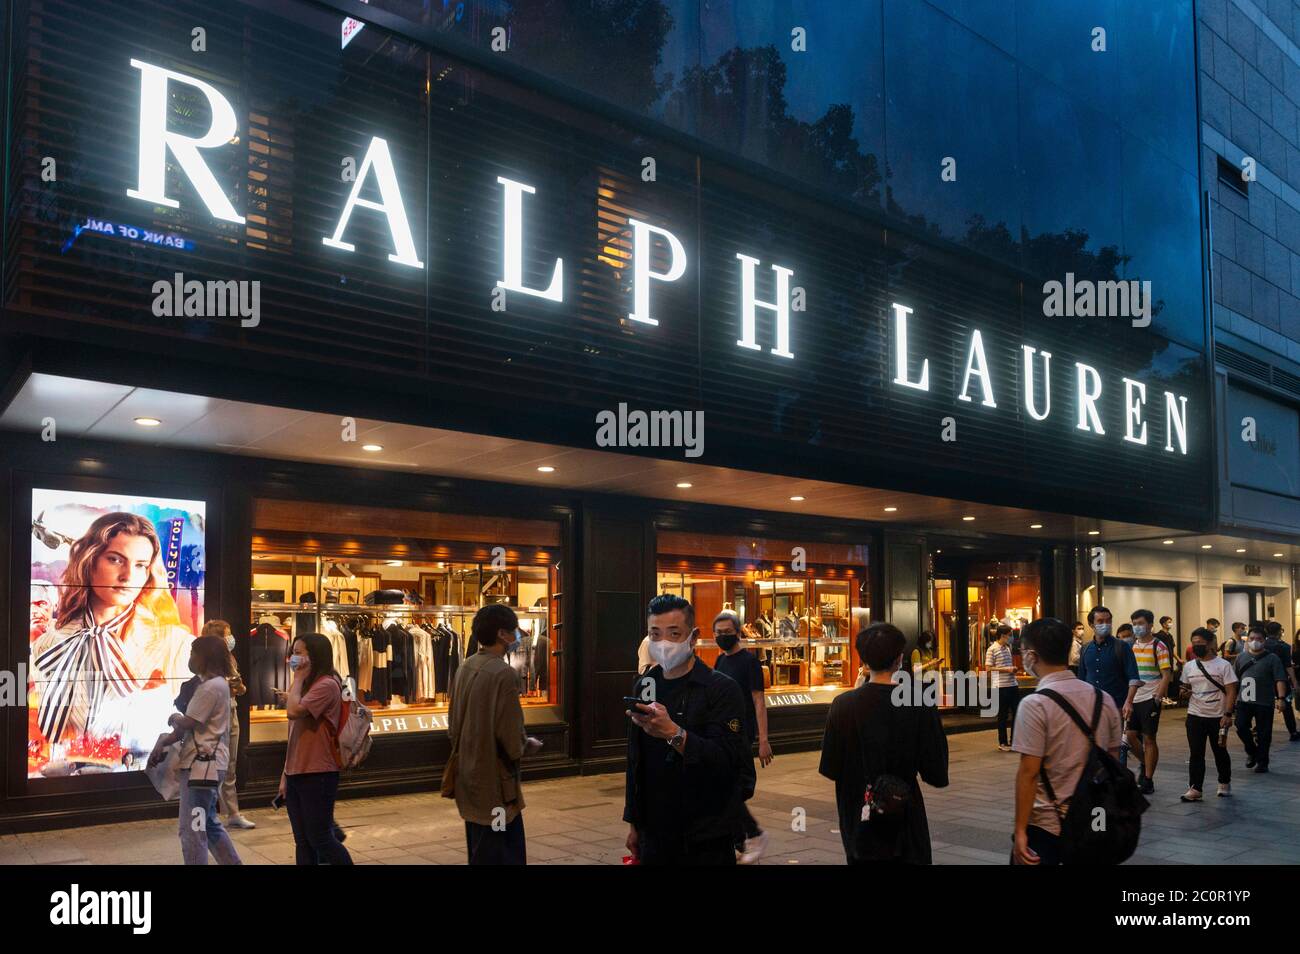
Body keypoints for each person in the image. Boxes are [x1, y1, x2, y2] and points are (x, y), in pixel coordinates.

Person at [30, 512, 194, 767]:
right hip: (60, 780)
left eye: (141, 565)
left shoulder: (173, 642)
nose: (129, 575)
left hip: (141, 784)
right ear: (90, 561)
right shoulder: (50, 644)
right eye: (116, 559)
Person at [624, 594, 752, 866]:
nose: (663, 643)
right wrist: (634, 822)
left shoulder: (721, 689)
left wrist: (675, 734)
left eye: (674, 634)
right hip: (655, 832)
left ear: (692, 637)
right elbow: (636, 761)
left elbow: (732, 763)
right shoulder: (646, 686)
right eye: (654, 635)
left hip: (705, 834)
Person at [819, 622, 948, 864]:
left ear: (864, 662)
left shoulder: (843, 705)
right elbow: (936, 773)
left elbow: (831, 767)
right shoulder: (919, 702)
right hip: (904, 817)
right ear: (899, 659)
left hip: (859, 816)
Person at [1011, 618, 1122, 865]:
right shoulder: (1104, 699)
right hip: (1095, 818)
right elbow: (1112, 763)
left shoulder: (1035, 704)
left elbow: (1028, 774)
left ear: (1031, 655)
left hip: (1048, 824)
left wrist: (1020, 830)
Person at [448, 604, 542, 865]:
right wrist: (527, 745)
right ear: (502, 634)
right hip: (496, 783)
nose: (518, 636)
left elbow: (452, 724)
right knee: (503, 851)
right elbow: (511, 739)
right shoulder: (504, 674)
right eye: (514, 630)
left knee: (480, 849)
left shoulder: (465, 666)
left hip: (468, 776)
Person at [146, 634, 241, 865]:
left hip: (202, 766)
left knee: (192, 827)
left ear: (204, 656)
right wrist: (164, 741)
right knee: (206, 821)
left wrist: (175, 716)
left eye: (193, 652)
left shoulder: (210, 687)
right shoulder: (216, 685)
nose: (190, 657)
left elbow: (189, 722)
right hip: (207, 765)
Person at [277, 633, 352, 864]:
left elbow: (293, 712)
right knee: (303, 840)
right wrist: (285, 775)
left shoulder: (327, 684)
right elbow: (294, 734)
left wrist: (297, 678)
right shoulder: (307, 687)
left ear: (315, 656)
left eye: (299, 653)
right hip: (297, 771)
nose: (293, 657)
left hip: (318, 772)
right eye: (293, 652)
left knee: (320, 838)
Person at [711, 610, 771, 864]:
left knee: (729, 787)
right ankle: (739, 839)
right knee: (724, 786)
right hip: (720, 734)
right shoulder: (719, 661)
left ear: (738, 632)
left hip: (741, 734)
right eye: (719, 633)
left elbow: (759, 700)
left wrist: (764, 740)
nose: (723, 636)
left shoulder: (749, 662)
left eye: (727, 632)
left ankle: (752, 833)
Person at [199, 620, 256, 830]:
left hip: (231, 711)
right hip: (215, 716)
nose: (231, 639)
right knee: (214, 765)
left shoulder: (229, 658)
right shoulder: (202, 661)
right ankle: (208, 811)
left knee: (230, 765)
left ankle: (232, 812)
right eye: (227, 635)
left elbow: (240, 689)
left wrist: (238, 686)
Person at [1179, 627, 1238, 802]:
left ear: (1211, 643)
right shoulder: (1189, 666)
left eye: (1200, 643)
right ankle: (1195, 788)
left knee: (1220, 751)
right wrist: (1184, 693)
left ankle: (1224, 782)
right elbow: (1186, 687)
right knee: (1196, 753)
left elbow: (1231, 690)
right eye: (1194, 643)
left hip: (1218, 716)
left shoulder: (1223, 665)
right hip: (1195, 715)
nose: (1197, 646)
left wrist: (1227, 714)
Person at [1233, 623, 1288, 774]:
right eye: (1251, 638)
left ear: (1264, 640)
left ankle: (1262, 762)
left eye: (1258, 638)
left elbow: (1280, 679)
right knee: (1241, 726)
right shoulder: (1241, 657)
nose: (1255, 641)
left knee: (1264, 733)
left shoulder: (1272, 658)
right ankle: (1251, 750)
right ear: (1247, 640)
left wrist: (1281, 698)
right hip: (1243, 701)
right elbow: (1235, 679)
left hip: (1264, 702)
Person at [1126, 609, 1171, 795]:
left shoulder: (1159, 646)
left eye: (1141, 623)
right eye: (1134, 623)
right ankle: (1146, 763)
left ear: (1151, 625)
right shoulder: (1131, 647)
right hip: (1133, 697)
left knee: (1149, 738)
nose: (1137, 627)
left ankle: (1148, 778)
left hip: (1150, 697)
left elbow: (1166, 674)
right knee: (1130, 736)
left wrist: (1158, 698)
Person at [985, 625, 1018, 751]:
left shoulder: (1008, 648)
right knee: (1003, 715)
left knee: (1017, 712)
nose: (1011, 638)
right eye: (1010, 635)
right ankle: (1002, 742)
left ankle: (1014, 741)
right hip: (1001, 686)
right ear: (1003, 635)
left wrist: (1012, 670)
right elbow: (988, 668)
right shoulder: (992, 649)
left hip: (1013, 684)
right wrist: (1006, 669)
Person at [1264, 622, 1299, 741]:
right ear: (1280, 631)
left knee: (1264, 707)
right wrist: (1294, 682)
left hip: (1264, 680)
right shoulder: (1284, 646)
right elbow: (1288, 666)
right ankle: (1293, 732)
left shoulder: (1262, 644)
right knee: (1287, 706)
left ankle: (1261, 732)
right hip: (1281, 680)